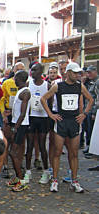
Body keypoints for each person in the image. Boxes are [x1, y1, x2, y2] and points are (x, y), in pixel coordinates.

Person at [40, 62, 93, 193]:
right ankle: (55, 180)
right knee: (57, 152)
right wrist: (51, 115)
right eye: (74, 73)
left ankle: (74, 181)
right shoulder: (58, 86)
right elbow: (43, 99)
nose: (77, 75)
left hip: (74, 122)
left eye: (78, 73)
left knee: (74, 153)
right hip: (61, 121)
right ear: (68, 73)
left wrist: (84, 114)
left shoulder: (80, 86)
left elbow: (90, 100)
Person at [24, 63, 51, 185]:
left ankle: (46, 171)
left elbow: (51, 103)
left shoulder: (48, 85)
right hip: (31, 118)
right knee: (29, 145)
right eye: (31, 70)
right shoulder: (28, 84)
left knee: (41, 146)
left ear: (41, 72)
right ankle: (28, 171)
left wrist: (50, 118)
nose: (32, 72)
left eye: (35, 70)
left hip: (43, 118)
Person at [0, 62, 25, 178]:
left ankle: (19, 164)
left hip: (20, 116)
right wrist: (3, 114)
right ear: (13, 71)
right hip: (9, 114)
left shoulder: (26, 85)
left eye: (21, 70)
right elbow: (1, 99)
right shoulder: (7, 83)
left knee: (19, 143)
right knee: (7, 141)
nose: (19, 71)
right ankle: (5, 166)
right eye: (17, 69)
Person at [7, 70, 31, 192]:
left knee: (13, 152)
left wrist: (15, 127)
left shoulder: (25, 92)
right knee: (13, 152)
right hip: (17, 124)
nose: (14, 80)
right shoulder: (20, 91)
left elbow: (23, 113)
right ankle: (18, 177)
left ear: (20, 79)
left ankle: (21, 180)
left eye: (15, 78)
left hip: (21, 126)